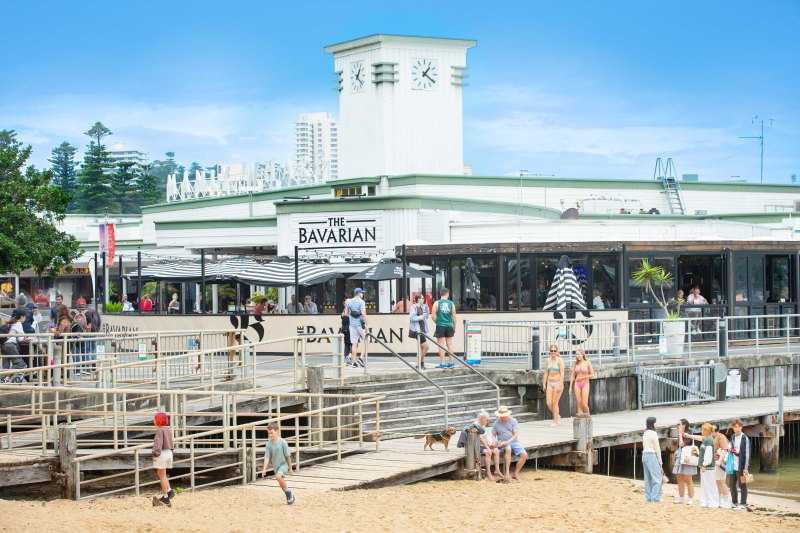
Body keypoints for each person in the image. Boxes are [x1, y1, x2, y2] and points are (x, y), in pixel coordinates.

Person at [457, 410, 502, 482]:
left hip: (483, 444)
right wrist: (488, 447)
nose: (487, 421)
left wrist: (491, 444)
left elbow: (486, 436)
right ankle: (488, 472)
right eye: (487, 420)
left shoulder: (482, 425)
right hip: (476, 445)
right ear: (483, 419)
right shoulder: (475, 426)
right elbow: (481, 438)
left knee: (496, 450)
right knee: (488, 452)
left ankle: (497, 469)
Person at [260, 424, 295, 505]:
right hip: (276, 466)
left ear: (277, 432)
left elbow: (288, 456)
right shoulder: (268, 444)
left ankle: (289, 493)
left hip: (284, 464)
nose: (270, 435)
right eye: (268, 433)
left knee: (278, 477)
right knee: (280, 481)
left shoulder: (283, 442)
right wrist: (264, 469)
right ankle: (289, 495)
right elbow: (267, 457)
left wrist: (290, 468)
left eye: (271, 433)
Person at [492, 405, 527, 481]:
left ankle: (516, 473)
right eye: (501, 416)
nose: (502, 417)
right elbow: (493, 435)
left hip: (513, 441)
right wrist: (495, 441)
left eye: (503, 416)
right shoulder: (496, 423)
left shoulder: (513, 420)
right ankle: (507, 471)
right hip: (502, 441)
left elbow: (515, 434)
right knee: (508, 448)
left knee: (524, 454)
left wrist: (508, 441)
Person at [151, 412, 175, 507]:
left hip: (162, 453)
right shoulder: (167, 430)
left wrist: (155, 453)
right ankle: (169, 491)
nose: (153, 421)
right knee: (161, 473)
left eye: (154, 419)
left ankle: (165, 496)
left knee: (162, 475)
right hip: (169, 452)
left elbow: (158, 443)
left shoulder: (160, 430)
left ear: (158, 421)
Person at [673, 418, 697, 505]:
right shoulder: (682, 433)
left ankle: (690, 498)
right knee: (679, 478)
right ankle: (681, 498)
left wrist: (680, 434)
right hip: (681, 456)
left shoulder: (689, 432)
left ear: (684, 425)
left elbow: (682, 444)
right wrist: (677, 451)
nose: (677, 426)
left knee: (688, 479)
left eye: (679, 424)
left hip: (687, 458)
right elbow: (681, 446)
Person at [431, 288, 457, 369]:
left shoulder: (436, 303)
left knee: (441, 345)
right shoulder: (451, 303)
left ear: (440, 294)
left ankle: (443, 363)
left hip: (440, 325)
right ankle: (451, 362)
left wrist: (438, 322)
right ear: (447, 294)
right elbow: (454, 317)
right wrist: (454, 327)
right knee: (449, 344)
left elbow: (433, 316)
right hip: (449, 326)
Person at [0, 309, 30, 380]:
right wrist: (28, 338)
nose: (25, 319)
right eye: (25, 317)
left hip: (4, 345)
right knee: (20, 364)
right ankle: (8, 378)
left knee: (5, 366)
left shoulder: (12, 323)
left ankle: (3, 381)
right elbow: (21, 339)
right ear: (22, 317)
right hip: (10, 346)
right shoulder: (18, 324)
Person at [729, 419, 751, 511]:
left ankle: (743, 504)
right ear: (733, 428)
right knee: (731, 484)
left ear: (741, 427)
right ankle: (734, 503)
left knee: (743, 485)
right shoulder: (733, 437)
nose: (736, 429)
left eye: (738, 427)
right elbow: (731, 449)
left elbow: (747, 453)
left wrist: (746, 468)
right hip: (733, 465)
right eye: (735, 427)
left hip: (741, 466)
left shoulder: (744, 438)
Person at [641, 416, 664, 503]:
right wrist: (660, 461)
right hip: (651, 455)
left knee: (647, 478)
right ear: (652, 423)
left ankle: (649, 497)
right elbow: (657, 448)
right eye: (655, 422)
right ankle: (655, 498)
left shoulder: (645, 433)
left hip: (644, 455)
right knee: (657, 478)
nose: (657, 424)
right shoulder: (653, 433)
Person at [698, 422, 720, 508]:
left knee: (710, 484)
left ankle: (713, 502)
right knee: (704, 485)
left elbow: (708, 454)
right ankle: (705, 501)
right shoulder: (707, 439)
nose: (702, 431)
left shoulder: (709, 440)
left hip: (708, 467)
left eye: (703, 430)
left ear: (707, 431)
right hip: (705, 466)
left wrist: (704, 465)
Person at [543, 345, 565, 426]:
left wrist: (561, 384)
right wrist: (544, 384)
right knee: (549, 403)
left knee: (554, 402)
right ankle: (557, 415)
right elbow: (546, 373)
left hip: (557, 382)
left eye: (554, 351)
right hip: (549, 382)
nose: (553, 352)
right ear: (549, 351)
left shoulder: (559, 361)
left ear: (557, 351)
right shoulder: (547, 360)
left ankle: (555, 421)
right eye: (551, 351)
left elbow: (562, 373)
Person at [346, 288, 368, 368]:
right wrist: (367, 324)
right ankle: (361, 358)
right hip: (360, 325)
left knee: (354, 344)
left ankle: (354, 362)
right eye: (362, 293)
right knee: (367, 341)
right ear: (358, 293)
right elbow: (363, 314)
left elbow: (346, 313)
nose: (363, 294)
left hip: (352, 325)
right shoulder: (361, 302)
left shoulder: (349, 302)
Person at [569, 349, 594, 415]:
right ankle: (580, 421)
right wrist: (570, 387)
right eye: (576, 354)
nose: (577, 356)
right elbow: (572, 376)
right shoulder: (576, 363)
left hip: (585, 383)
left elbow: (592, 375)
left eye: (579, 354)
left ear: (583, 354)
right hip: (577, 384)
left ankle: (588, 419)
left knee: (584, 404)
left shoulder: (587, 362)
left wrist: (583, 378)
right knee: (579, 404)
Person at [408, 294, 430, 370]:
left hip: (422, 330)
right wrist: (422, 316)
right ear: (418, 299)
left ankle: (418, 365)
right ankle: (421, 362)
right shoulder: (414, 307)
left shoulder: (422, 307)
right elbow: (412, 318)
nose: (423, 299)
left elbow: (427, 316)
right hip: (417, 331)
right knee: (426, 347)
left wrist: (427, 307)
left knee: (421, 349)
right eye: (422, 298)